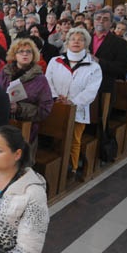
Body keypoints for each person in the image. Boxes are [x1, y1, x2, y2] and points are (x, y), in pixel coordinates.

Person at [45, 27, 102, 177]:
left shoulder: (94, 67)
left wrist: (72, 101)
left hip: (78, 108)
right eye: (73, 39)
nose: (76, 41)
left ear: (86, 43)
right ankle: (56, 166)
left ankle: (72, 167)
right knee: (55, 137)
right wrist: (56, 97)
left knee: (74, 140)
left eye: (80, 39)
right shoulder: (55, 61)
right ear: (67, 42)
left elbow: (91, 90)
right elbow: (48, 81)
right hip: (57, 106)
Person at [0, 38, 54, 157]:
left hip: (26, 131)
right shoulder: (4, 72)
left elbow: (45, 109)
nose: (25, 54)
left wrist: (20, 108)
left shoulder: (40, 79)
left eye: (29, 52)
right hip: (3, 126)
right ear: (14, 54)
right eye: (21, 51)